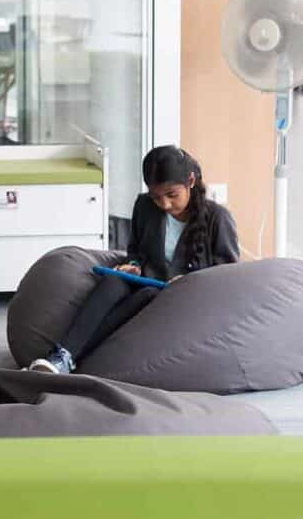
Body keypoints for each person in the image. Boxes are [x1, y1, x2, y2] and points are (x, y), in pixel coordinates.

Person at [28, 145, 240, 373]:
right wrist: (134, 265)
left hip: (184, 296)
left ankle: (69, 356)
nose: (165, 204)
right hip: (146, 281)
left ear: (190, 181)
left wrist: (189, 281)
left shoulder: (218, 218)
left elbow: (227, 276)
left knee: (147, 296)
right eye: (156, 197)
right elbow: (136, 251)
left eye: (172, 195)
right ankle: (63, 356)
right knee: (113, 281)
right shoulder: (145, 207)